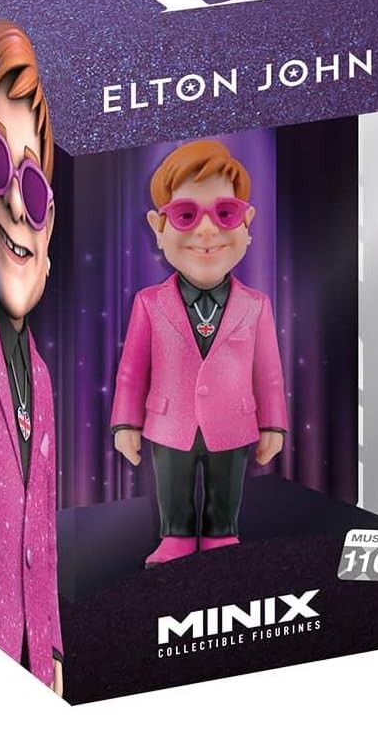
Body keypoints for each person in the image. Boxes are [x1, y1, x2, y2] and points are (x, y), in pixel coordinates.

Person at [111, 139, 287, 567]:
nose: (207, 231)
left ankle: (221, 534)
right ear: (158, 227)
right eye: (186, 216)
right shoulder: (148, 304)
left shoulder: (256, 306)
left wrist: (273, 426)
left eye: (224, 213)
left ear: (247, 222)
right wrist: (125, 423)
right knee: (173, 486)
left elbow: (268, 374)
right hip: (170, 422)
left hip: (234, 422)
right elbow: (132, 372)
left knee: (227, 488)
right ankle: (175, 535)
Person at [0, 20, 63, 695]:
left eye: (37, 185)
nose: (20, 203)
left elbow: (45, 528)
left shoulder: (44, 379)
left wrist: (54, 651)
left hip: (31, 647)